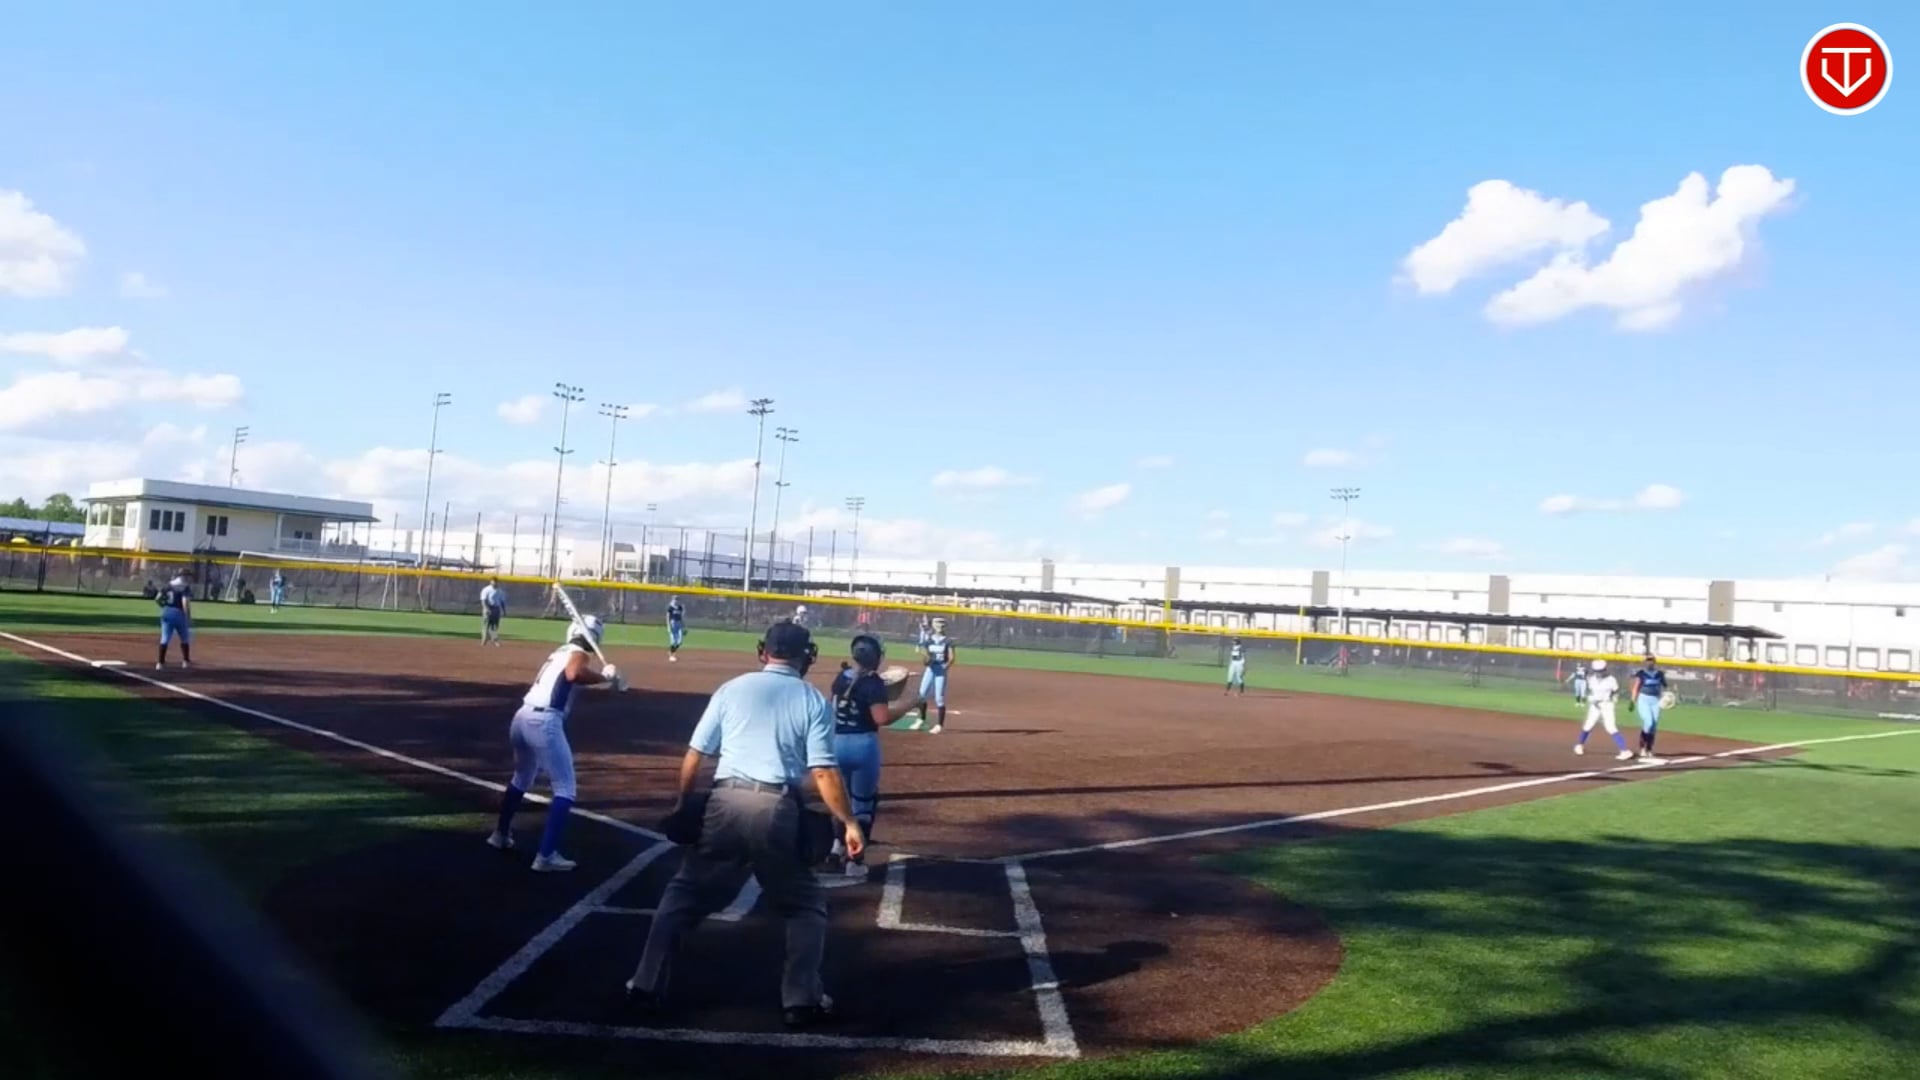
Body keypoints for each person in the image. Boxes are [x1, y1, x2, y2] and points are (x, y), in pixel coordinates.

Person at [625, 621, 862, 1028]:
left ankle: (645, 985)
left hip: (724, 803)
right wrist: (849, 821)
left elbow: (695, 754)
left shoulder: (731, 689)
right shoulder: (812, 699)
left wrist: (684, 803)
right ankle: (800, 1000)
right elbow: (823, 771)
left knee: (684, 894)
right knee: (804, 905)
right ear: (807, 656)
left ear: (763, 651)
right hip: (776, 809)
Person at [487, 615, 626, 872]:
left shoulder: (560, 652)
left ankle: (500, 835)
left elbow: (574, 684)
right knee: (565, 789)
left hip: (522, 717)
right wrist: (604, 677)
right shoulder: (578, 654)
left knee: (522, 777)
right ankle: (546, 856)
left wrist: (610, 682)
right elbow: (574, 674)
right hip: (544, 722)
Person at [825, 634, 920, 880]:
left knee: (840, 800)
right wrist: (910, 704)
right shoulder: (872, 683)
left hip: (837, 743)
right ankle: (855, 861)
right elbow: (881, 718)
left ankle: (835, 849)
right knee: (863, 804)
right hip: (862, 745)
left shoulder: (841, 677)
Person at [1573, 658, 1634, 761]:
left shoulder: (1611, 680)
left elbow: (1615, 691)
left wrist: (1613, 697)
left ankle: (1624, 751)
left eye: (1600, 671)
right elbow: (1591, 690)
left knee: (1611, 727)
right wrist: (1592, 698)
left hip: (1607, 705)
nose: (1599, 673)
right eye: (1597, 671)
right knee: (1588, 725)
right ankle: (1579, 745)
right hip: (1595, 705)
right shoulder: (1592, 679)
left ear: (1605, 669)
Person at [911, 617, 954, 733]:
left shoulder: (948, 641)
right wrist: (925, 658)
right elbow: (925, 655)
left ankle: (939, 725)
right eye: (938, 623)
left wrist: (945, 666)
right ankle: (921, 719)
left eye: (942, 624)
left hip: (940, 671)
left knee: (939, 697)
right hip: (930, 669)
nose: (940, 626)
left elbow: (951, 657)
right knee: (921, 695)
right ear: (934, 625)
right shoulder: (929, 640)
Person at [1629, 655, 1670, 764]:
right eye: (1647, 661)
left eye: (1651, 660)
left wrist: (1668, 698)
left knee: (1654, 725)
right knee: (1648, 722)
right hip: (1644, 699)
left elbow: (1665, 687)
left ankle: (1649, 748)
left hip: (1655, 700)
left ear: (1654, 662)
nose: (1649, 663)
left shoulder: (1659, 674)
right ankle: (1642, 748)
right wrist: (1632, 701)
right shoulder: (1641, 673)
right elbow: (1636, 687)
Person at [156, 573, 194, 670]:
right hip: (179, 613)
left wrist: (164, 607)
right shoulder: (185, 587)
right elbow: (185, 603)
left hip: (167, 612)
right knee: (184, 637)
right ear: (184, 576)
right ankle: (186, 661)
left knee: (165, 638)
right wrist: (188, 618)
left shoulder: (168, 585)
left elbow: (157, 599)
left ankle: (160, 663)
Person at [479, 578, 506, 646]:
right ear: (490, 582)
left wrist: (504, 610)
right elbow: (483, 600)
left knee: (495, 625)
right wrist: (486, 608)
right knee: (486, 625)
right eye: (493, 581)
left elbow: (502, 602)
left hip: (496, 609)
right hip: (488, 607)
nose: (494, 583)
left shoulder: (500, 591)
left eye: (496, 581)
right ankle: (484, 639)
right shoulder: (486, 589)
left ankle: (495, 640)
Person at [666, 595, 686, 662]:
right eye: (675, 599)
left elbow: (682, 617)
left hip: (679, 624)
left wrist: (684, 627)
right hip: (673, 624)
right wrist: (668, 626)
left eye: (677, 599)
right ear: (672, 600)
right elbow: (667, 617)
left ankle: (671, 651)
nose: (676, 600)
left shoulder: (680, 607)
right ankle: (672, 655)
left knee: (680, 641)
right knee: (673, 641)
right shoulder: (670, 607)